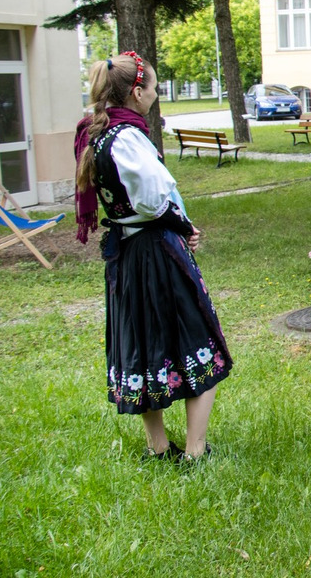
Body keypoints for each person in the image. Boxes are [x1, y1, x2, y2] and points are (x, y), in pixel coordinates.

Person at [73, 52, 230, 461]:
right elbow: (155, 200)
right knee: (200, 337)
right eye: (155, 88)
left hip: (126, 254)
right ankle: (195, 451)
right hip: (154, 252)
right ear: (137, 92)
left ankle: (158, 448)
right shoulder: (127, 137)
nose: (156, 95)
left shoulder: (96, 134)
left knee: (145, 344)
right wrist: (183, 226)